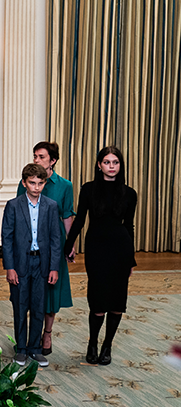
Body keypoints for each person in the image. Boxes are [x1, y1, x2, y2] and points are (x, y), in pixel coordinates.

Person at [65, 146, 137, 366]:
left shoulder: (130, 193)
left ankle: (108, 346)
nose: (111, 166)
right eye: (107, 162)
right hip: (96, 248)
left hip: (121, 250)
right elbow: (79, 221)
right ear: (99, 164)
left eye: (115, 162)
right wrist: (69, 245)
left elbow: (129, 227)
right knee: (97, 302)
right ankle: (93, 343)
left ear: (120, 165)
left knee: (117, 302)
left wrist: (131, 258)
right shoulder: (88, 190)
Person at [16, 141, 75, 355]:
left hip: (54, 244)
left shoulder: (64, 186)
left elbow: (67, 215)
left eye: (41, 156)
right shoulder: (26, 182)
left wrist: (71, 244)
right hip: (29, 246)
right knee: (28, 293)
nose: (36, 160)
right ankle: (28, 337)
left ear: (53, 161)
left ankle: (47, 333)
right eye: (35, 156)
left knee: (51, 291)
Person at [2, 164, 61, 368]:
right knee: (20, 306)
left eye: (40, 183)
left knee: (38, 306)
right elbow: (7, 238)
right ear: (24, 182)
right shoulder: (13, 205)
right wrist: (9, 267)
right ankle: (21, 348)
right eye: (32, 183)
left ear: (45, 183)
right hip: (20, 263)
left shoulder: (51, 206)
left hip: (42, 263)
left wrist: (54, 267)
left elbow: (55, 238)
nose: (36, 187)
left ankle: (35, 348)